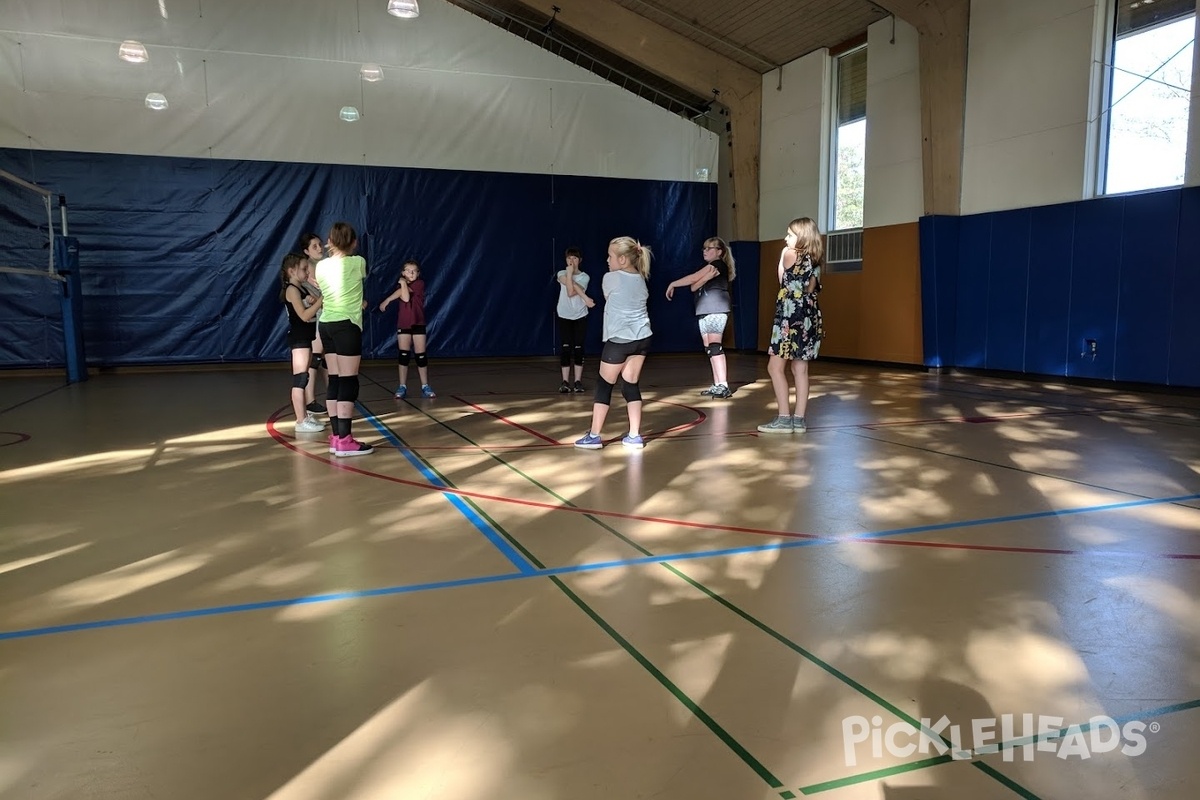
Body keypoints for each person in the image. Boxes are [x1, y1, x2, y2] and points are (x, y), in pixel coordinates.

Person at [574, 237, 653, 450]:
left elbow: (609, 297)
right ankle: (635, 436)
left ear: (624, 259)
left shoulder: (611, 278)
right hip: (643, 338)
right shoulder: (641, 278)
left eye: (610, 256)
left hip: (620, 340)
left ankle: (594, 436)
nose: (607, 260)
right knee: (630, 385)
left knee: (604, 385)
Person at [758, 217, 824, 435]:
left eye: (790, 234)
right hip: (808, 317)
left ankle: (784, 418)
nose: (786, 238)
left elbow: (781, 280)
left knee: (775, 367)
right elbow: (810, 289)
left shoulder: (789, 254)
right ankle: (799, 419)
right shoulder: (814, 260)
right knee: (800, 369)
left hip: (789, 316)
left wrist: (781, 256)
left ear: (801, 237)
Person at [314, 221, 374, 456]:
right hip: (346, 325)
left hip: (326, 325)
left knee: (336, 380)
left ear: (330, 241)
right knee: (349, 381)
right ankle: (345, 441)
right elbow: (357, 276)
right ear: (354, 242)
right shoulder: (358, 262)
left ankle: (337, 437)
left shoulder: (320, 267)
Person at [665, 236, 736, 398]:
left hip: (715, 309)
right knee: (709, 347)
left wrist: (673, 283)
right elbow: (693, 286)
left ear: (719, 252)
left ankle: (723, 385)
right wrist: (704, 278)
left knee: (715, 345)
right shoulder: (709, 269)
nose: (705, 251)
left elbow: (693, 278)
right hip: (704, 310)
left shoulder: (718, 265)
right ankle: (717, 383)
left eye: (709, 248)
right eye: (704, 248)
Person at [280, 253, 326, 434]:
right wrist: (321, 299)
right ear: (292, 271)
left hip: (306, 337)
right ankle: (300, 421)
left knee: (305, 376)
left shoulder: (301, 290)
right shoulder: (291, 289)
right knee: (300, 378)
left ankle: (304, 415)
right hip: (299, 339)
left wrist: (311, 301)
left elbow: (309, 309)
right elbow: (304, 316)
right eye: (304, 269)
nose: (308, 272)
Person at [378, 259, 435, 399]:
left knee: (420, 356)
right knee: (404, 355)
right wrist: (399, 288)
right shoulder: (402, 287)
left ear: (418, 273)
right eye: (408, 271)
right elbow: (402, 294)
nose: (411, 273)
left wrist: (388, 299)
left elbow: (405, 297)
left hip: (418, 323)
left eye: (414, 271)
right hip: (404, 324)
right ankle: (402, 385)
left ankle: (425, 385)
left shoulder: (419, 284)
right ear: (403, 272)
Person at [555, 246, 595, 393]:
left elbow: (572, 290)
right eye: (569, 258)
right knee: (565, 348)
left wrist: (571, 276)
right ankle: (565, 381)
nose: (571, 261)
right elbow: (570, 291)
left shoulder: (585, 277)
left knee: (578, 348)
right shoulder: (561, 273)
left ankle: (578, 381)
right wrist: (584, 297)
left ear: (580, 260)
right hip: (564, 315)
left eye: (575, 258)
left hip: (579, 315)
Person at [297, 232, 328, 416]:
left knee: (326, 356)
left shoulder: (324, 265)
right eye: (314, 246)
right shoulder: (304, 268)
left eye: (320, 244)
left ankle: (333, 394)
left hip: (327, 313)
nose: (319, 248)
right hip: (314, 315)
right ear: (306, 251)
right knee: (315, 357)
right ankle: (310, 400)